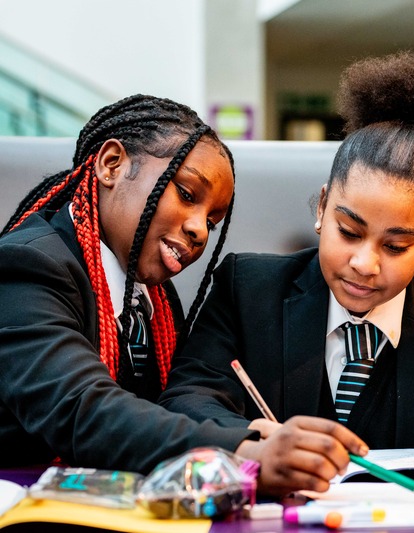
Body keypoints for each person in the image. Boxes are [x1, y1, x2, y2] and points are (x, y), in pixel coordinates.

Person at [0, 95, 367, 497]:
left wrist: (244, 432)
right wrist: (242, 452)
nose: (200, 231)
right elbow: (82, 409)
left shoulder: (153, 301)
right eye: (188, 194)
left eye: (213, 220)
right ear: (111, 165)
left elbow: (160, 413)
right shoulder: (28, 266)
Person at [160, 51, 414, 457]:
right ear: (323, 208)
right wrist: (256, 441)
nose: (364, 264)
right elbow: (186, 399)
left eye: (395, 246)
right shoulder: (246, 289)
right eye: (349, 231)